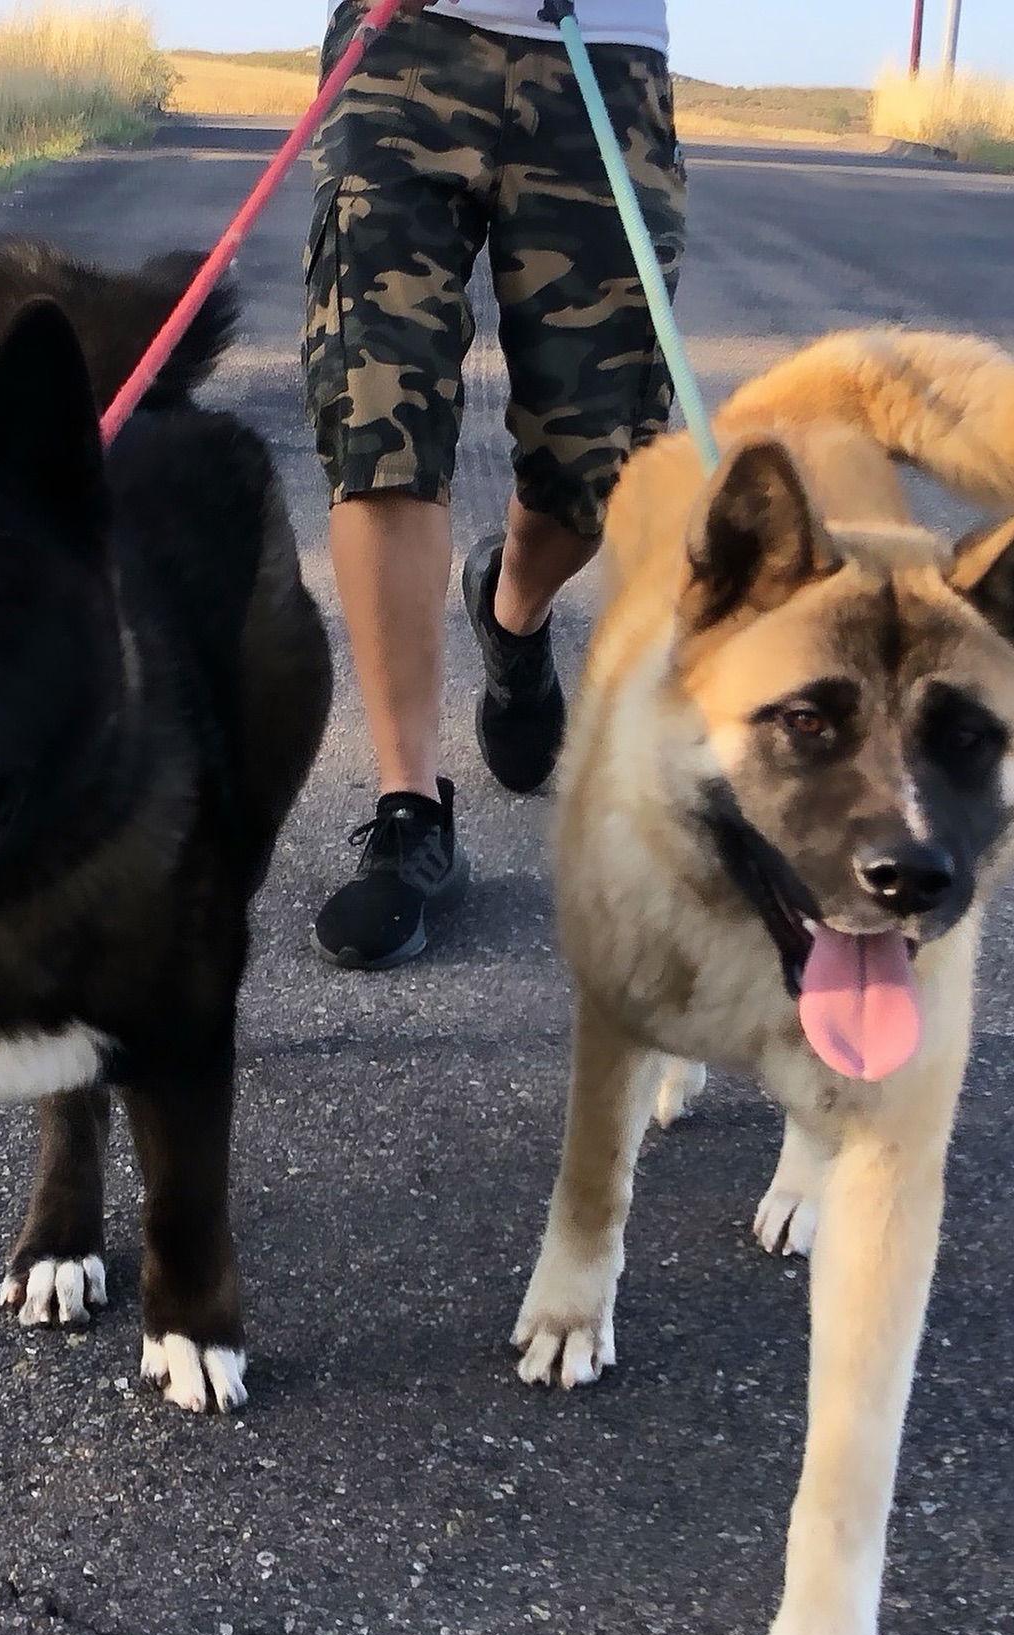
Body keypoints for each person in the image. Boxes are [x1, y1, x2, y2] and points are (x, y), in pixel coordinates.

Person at [305, 0, 688, 970]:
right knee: (378, 423)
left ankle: (513, 612)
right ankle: (408, 806)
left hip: (601, 57)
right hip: (406, 43)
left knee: (600, 470)